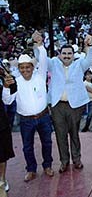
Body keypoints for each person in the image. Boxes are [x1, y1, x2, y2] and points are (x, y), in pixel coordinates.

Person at [2, 32, 54, 182]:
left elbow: (43, 57)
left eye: (28, 67)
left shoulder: (40, 76)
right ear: (19, 68)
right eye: (22, 68)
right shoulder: (15, 81)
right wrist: (6, 87)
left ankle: (47, 165)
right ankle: (31, 169)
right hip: (25, 120)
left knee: (47, 143)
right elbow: (7, 101)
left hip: (44, 116)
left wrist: (39, 43)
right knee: (27, 147)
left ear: (33, 67)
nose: (25, 70)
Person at [46, 35, 92, 173]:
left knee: (74, 133)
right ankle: (64, 161)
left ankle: (77, 159)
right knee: (60, 135)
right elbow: (41, 59)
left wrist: (90, 46)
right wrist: (38, 45)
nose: (67, 56)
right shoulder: (53, 63)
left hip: (75, 105)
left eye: (69, 54)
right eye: (64, 54)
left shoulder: (79, 64)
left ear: (74, 55)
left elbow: (90, 60)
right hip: (57, 105)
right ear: (59, 55)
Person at [0, 70, 16, 195]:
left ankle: (2, 180)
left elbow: (7, 100)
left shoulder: (3, 75)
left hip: (0, 122)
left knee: (2, 155)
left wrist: (6, 86)